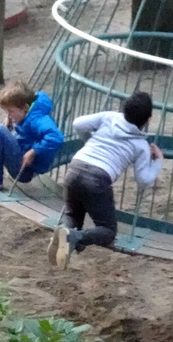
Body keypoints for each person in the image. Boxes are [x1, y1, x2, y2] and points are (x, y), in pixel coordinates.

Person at [48, 90, 163, 270]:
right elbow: (143, 181)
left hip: (75, 167)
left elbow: (78, 123)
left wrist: (89, 141)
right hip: (97, 179)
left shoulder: (109, 117)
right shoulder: (140, 145)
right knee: (108, 231)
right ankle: (73, 238)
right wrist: (157, 161)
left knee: (72, 215)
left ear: (124, 109)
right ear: (148, 119)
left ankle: (65, 236)